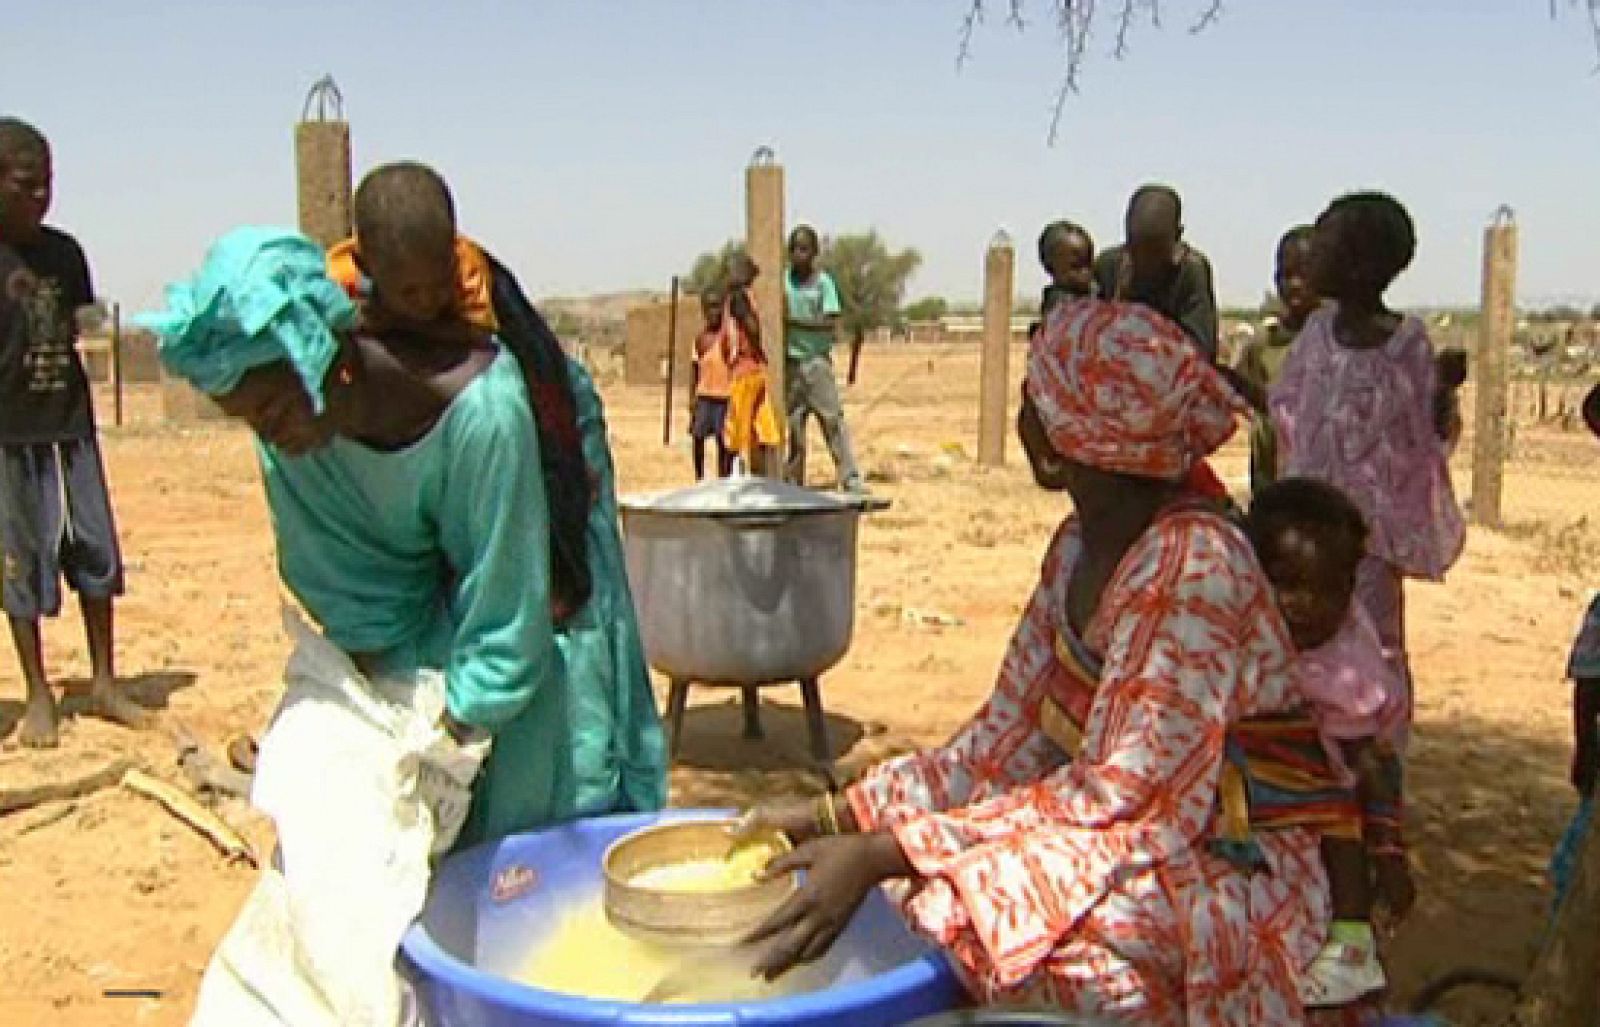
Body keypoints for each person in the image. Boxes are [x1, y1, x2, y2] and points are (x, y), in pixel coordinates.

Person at [739, 298, 1366, 1024]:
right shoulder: (1079, 546)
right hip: (1140, 839)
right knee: (934, 896)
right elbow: (1003, 740)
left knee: (974, 919)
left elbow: (1125, 799)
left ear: (1056, 445)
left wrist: (890, 852)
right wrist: (833, 815)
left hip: (1233, 868)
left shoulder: (1193, 568)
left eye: (1035, 397)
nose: (1024, 410)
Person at [1271, 192, 1466, 703]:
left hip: (1367, 548)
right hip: (1306, 532)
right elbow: (1287, 412)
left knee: (1373, 651)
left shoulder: (1407, 345)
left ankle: (1375, 755)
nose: (1310, 252)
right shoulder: (1315, 334)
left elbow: (1423, 440)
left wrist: (1441, 393)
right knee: (1301, 649)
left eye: (1325, 241)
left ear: (1359, 266)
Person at [0, 117, 146, 748]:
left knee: (93, 550)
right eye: (27, 185)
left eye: (48, 184)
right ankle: (38, 694)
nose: (41, 197)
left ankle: (104, 682)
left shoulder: (66, 253)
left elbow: (80, 327)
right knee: (19, 563)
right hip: (7, 440)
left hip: (70, 430)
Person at [1246, 477, 1415, 1007]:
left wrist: (1386, 845)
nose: (1307, 606)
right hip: (1257, 806)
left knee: (1344, 828)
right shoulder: (1240, 631)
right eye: (1288, 585)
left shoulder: (1348, 666)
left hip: (1330, 794)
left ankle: (1351, 944)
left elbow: (1371, 762)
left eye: (1329, 590)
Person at [1233, 226, 1317, 495]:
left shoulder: (1340, 344)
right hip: (1272, 477)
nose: (1293, 285)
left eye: (1304, 275)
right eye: (1285, 275)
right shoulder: (1262, 345)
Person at [1093, 183, 1220, 360]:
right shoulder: (1110, 265)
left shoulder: (1191, 271)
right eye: (1135, 248)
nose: (1144, 260)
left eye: (1155, 252)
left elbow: (1201, 351)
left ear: (1178, 236)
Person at [783, 226, 863, 492]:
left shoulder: (823, 283)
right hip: (790, 364)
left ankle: (850, 477)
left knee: (832, 421)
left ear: (814, 252)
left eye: (804, 249)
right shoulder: (783, 282)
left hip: (816, 363)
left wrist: (793, 322)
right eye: (794, 249)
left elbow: (828, 323)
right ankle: (793, 483)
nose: (798, 255)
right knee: (794, 427)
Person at [720, 252, 781, 473]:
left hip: (743, 370)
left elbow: (750, 325)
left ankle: (739, 475)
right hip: (755, 369)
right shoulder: (745, 296)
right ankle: (772, 473)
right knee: (763, 424)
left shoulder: (738, 298)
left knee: (739, 428)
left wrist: (756, 344)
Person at [689, 284, 733, 479]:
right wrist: (692, 398)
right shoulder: (700, 340)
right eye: (709, 307)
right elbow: (695, 369)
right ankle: (699, 477)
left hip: (725, 397)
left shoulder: (729, 338)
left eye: (717, 306)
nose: (713, 312)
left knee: (724, 442)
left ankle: (724, 479)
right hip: (705, 397)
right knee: (698, 437)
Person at [1037, 220, 1095, 325]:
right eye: (1076, 267)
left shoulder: (1092, 295)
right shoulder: (1059, 308)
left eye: (1089, 264)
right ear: (1049, 266)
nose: (1086, 273)